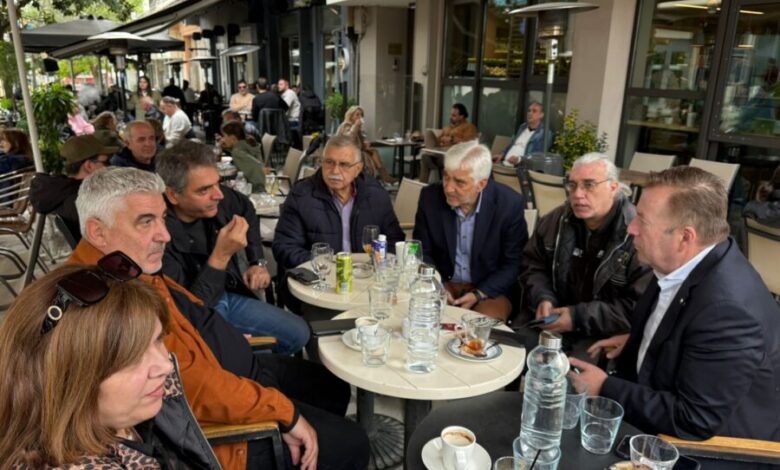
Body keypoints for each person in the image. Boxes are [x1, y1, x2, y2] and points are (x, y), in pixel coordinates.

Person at [71, 167, 369, 469]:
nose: (165, 235)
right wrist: (286, 413)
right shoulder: (110, 301)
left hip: (235, 370)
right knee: (352, 442)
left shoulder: (128, 266)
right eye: (146, 222)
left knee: (331, 386)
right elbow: (192, 389)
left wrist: (227, 337)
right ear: (98, 232)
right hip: (225, 431)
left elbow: (191, 316)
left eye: (163, 218)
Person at [570, 167, 780, 456]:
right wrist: (641, 338)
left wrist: (605, 387)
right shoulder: (685, 262)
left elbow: (693, 419)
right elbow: (685, 322)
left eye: (642, 220)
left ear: (685, 237)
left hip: (715, 451)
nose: (631, 228)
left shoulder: (728, 311)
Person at [0, 262, 222, 468]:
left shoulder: (122, 411)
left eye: (158, 339)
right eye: (132, 358)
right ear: (66, 383)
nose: (166, 365)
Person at [158, 141, 309, 355]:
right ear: (173, 195)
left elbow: (247, 209)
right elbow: (190, 312)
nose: (218, 195)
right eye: (204, 190)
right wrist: (221, 255)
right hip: (199, 312)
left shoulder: (220, 200)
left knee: (299, 332)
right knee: (228, 355)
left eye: (217, 183)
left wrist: (257, 262)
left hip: (230, 292)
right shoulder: (158, 236)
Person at [520, 153, 652, 337]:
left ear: (613, 187)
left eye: (589, 185)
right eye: (572, 185)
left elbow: (639, 306)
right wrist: (543, 297)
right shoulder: (556, 220)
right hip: (549, 322)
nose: (577, 194)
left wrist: (577, 318)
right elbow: (533, 265)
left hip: (604, 336)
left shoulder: (637, 234)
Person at [273, 135, 405, 306]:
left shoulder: (376, 195)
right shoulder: (302, 195)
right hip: (318, 287)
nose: (335, 171)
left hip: (367, 285)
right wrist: (326, 266)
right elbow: (284, 247)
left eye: (344, 164)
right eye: (329, 162)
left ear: (358, 168)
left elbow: (394, 242)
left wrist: (376, 267)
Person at [413, 141, 526, 321]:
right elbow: (422, 251)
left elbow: (514, 263)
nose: (448, 188)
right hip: (443, 283)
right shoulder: (430, 197)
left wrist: (479, 294)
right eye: (446, 177)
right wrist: (437, 283)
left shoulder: (509, 205)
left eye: (459, 182)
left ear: (481, 184)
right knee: (418, 318)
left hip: (489, 290)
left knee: (480, 328)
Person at [30, 134, 117, 245]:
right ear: (89, 166)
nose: (110, 167)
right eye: (107, 162)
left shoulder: (62, 192)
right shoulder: (86, 199)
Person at [419, 103, 479, 183]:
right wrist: (420, 137)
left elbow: (470, 144)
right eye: (451, 114)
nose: (451, 117)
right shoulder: (447, 128)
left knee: (429, 156)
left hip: (454, 158)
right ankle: (421, 187)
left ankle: (432, 153)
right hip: (441, 155)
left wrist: (452, 139)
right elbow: (437, 141)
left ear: (461, 116)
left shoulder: (469, 127)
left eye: (454, 115)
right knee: (427, 139)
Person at [337, 105, 397, 185]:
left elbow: (357, 142)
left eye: (361, 115)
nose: (360, 117)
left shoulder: (356, 127)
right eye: (357, 115)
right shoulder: (346, 125)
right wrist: (356, 125)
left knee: (374, 151)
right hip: (346, 153)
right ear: (351, 116)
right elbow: (349, 138)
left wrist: (364, 144)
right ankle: (384, 178)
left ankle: (384, 177)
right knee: (372, 153)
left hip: (355, 151)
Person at [493, 101, 549, 167]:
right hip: (504, 163)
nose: (530, 113)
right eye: (529, 111)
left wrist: (519, 160)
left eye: (534, 111)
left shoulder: (545, 134)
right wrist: (502, 155)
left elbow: (538, 155)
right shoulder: (522, 127)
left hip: (520, 168)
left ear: (541, 115)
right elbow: (512, 143)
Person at [220, 120, 268, 192]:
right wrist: (228, 148)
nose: (222, 139)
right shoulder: (246, 143)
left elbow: (256, 167)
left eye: (224, 136)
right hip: (260, 187)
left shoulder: (237, 153)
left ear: (232, 138)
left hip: (253, 190)